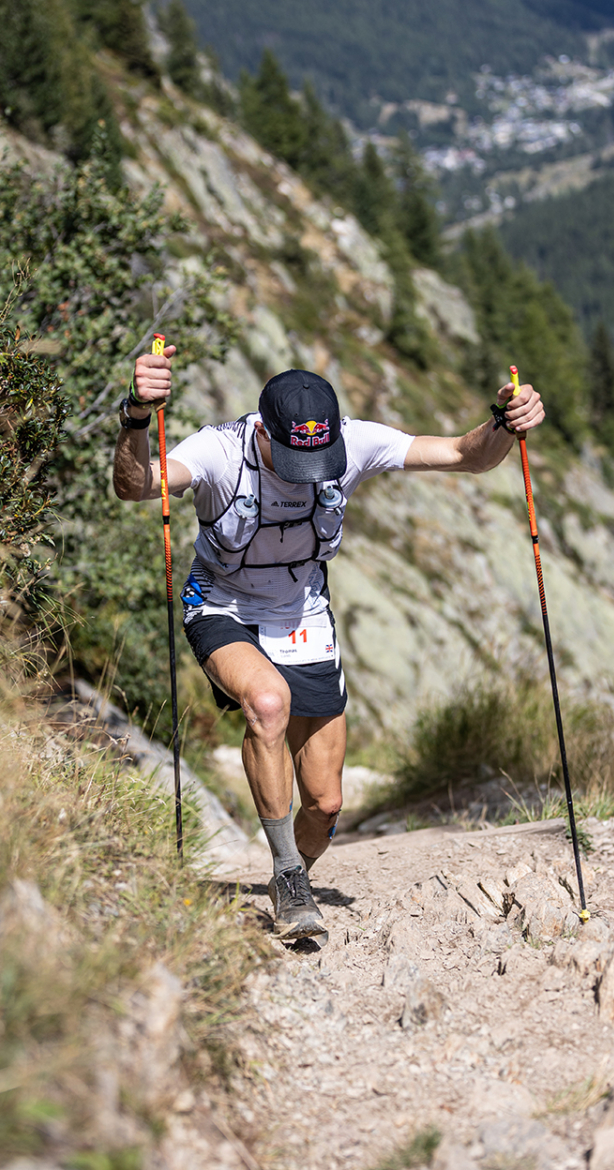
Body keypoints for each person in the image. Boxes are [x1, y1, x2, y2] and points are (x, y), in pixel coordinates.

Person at [113, 350, 545, 943]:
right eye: (292, 459)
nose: (305, 472)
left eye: (317, 460)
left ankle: (295, 871)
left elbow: (466, 457)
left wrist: (503, 419)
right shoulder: (217, 452)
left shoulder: (352, 442)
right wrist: (138, 415)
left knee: (326, 803)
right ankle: (290, 876)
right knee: (267, 703)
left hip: (302, 614)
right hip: (222, 604)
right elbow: (137, 486)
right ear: (262, 432)